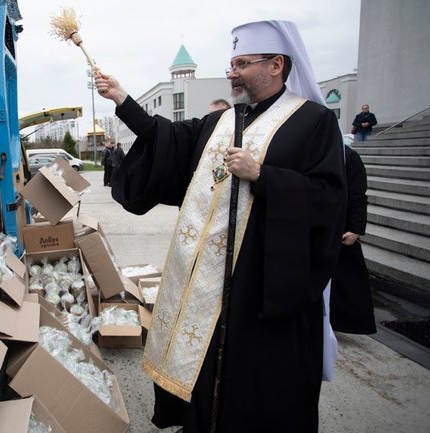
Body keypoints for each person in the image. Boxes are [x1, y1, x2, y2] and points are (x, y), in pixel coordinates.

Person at [95, 20, 346, 433]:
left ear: (276, 65)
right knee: (205, 371)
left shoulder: (313, 122)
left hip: (259, 282)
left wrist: (263, 175)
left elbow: (328, 198)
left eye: (242, 63)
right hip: (206, 282)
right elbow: (170, 139)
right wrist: (122, 98)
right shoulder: (223, 122)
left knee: (251, 385)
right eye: (231, 63)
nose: (232, 71)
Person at [330, 144, 376, 334]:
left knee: (345, 280)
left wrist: (356, 229)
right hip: (317, 226)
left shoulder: (348, 156)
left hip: (340, 229)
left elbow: (358, 195)